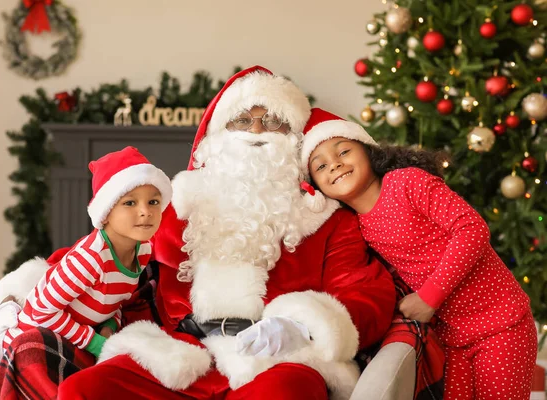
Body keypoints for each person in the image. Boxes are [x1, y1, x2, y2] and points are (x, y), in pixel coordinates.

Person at [57, 66, 396, 400]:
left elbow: (365, 292)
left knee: (286, 392)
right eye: (242, 120)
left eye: (274, 121)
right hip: (183, 353)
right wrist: (26, 296)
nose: (257, 131)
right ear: (215, 137)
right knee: (84, 389)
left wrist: (302, 325)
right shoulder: (179, 204)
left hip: (277, 361)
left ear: (295, 140)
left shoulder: (326, 219)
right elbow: (107, 249)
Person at [301, 107, 537, 400]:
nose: (334, 165)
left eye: (343, 151)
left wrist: (430, 296)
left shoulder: (406, 183)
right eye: (320, 166)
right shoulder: (355, 227)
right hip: (453, 339)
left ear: (368, 151)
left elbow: (472, 229)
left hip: (501, 325)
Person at [0, 146, 172, 399]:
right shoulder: (90, 258)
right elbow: (39, 312)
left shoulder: (142, 251)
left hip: (77, 334)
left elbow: (113, 301)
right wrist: (95, 342)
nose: (145, 211)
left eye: (153, 201)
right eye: (130, 202)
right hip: (33, 335)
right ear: (106, 213)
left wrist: (109, 325)